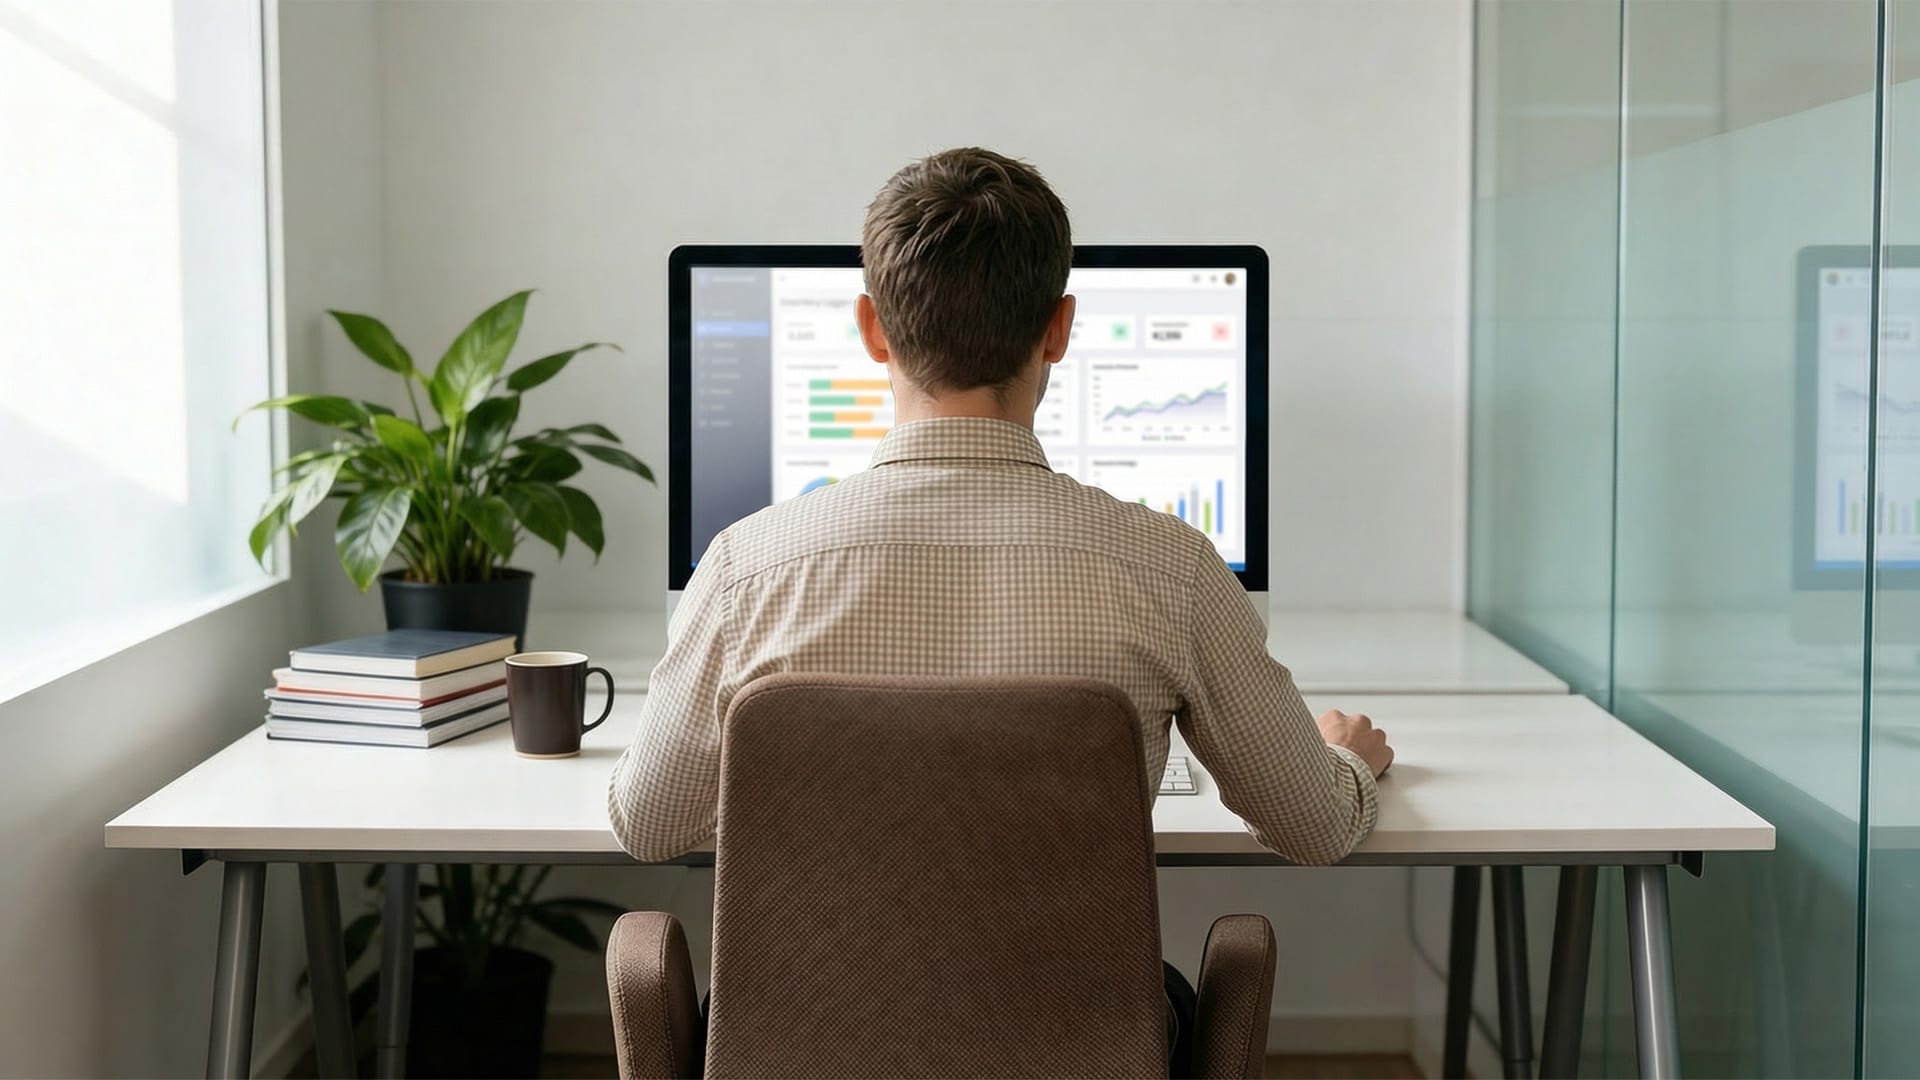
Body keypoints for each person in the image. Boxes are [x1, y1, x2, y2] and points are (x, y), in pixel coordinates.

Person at [608, 146, 1394, 1073]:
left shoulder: (745, 569)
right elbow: (1314, 827)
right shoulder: (1172, 569)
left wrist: (806, 794)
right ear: (1059, 330)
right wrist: (1345, 759)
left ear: (870, 329)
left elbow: (648, 826)